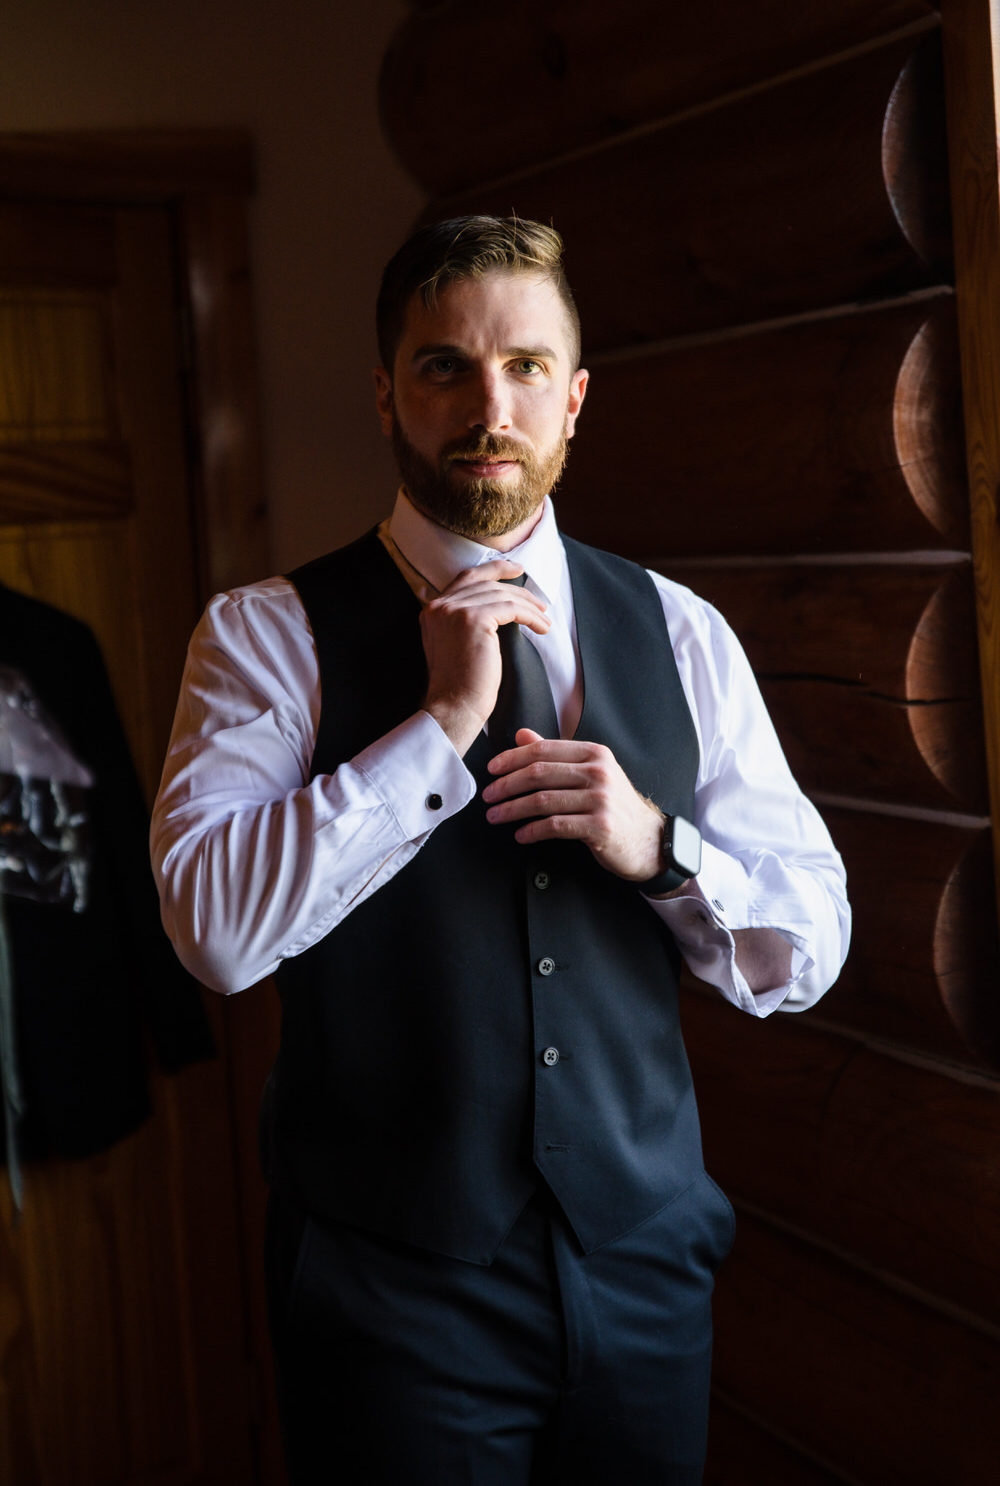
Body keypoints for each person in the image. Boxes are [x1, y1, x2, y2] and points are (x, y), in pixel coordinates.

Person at [151, 215, 849, 1485]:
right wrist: (440, 728)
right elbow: (213, 931)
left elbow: (808, 939)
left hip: (644, 1266)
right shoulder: (265, 636)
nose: (490, 404)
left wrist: (659, 849)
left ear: (574, 400)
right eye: (444, 367)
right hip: (388, 1288)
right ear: (384, 394)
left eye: (526, 368)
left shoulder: (681, 631)